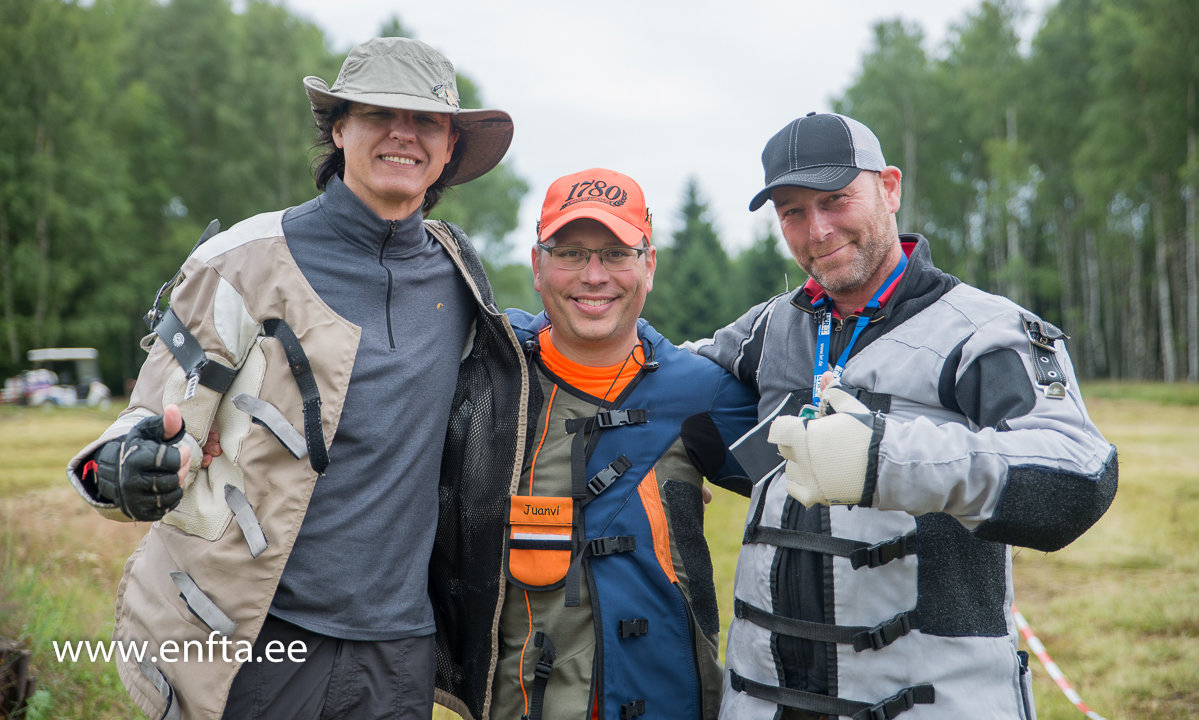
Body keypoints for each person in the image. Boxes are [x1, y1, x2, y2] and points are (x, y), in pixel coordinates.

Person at [66, 37, 523, 720]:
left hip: (400, 652)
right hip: (260, 642)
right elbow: (144, 426)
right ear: (339, 130)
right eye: (377, 115)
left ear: (450, 147)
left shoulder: (461, 280)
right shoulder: (241, 263)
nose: (404, 134)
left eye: (426, 120)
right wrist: (121, 470)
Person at [691, 113, 1118, 720]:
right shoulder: (771, 326)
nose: (817, 230)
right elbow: (661, 379)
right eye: (792, 211)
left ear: (890, 188)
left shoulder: (986, 332)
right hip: (764, 702)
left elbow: (1080, 476)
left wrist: (883, 460)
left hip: (932, 703)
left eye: (836, 199)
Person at [464, 168, 759, 720]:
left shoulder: (704, 391)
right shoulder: (486, 378)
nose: (594, 275)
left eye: (617, 253)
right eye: (571, 252)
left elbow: (807, 491)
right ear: (537, 265)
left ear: (649, 265)